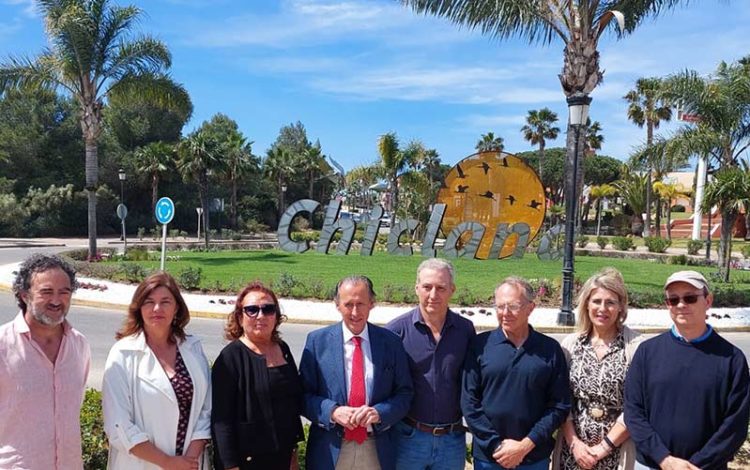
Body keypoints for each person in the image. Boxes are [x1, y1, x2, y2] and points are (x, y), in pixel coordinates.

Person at [624, 270, 750, 470]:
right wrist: (664, 459)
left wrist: (697, 464)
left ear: (708, 301)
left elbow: (736, 424)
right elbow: (633, 412)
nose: (681, 305)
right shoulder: (647, 352)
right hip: (652, 465)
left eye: (690, 298)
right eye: (673, 300)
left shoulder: (732, 359)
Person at [300, 275, 413, 470]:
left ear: (372, 303)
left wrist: (380, 412)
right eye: (348, 304)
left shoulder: (391, 343)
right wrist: (333, 412)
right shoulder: (317, 342)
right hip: (331, 448)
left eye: (360, 304)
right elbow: (302, 395)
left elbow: (405, 393)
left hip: (375, 449)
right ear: (337, 305)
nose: (354, 312)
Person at [102, 271, 211, 470]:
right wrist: (168, 463)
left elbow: (206, 409)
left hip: (190, 463)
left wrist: (189, 460)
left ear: (177, 307)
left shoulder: (193, 348)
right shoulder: (123, 354)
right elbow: (118, 425)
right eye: (149, 302)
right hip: (141, 464)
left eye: (165, 302)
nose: (157, 308)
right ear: (139, 308)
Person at [462, 276, 571, 470]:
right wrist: (497, 444)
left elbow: (559, 405)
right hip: (490, 457)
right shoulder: (480, 346)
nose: (505, 313)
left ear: (531, 308)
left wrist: (525, 445)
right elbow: (469, 403)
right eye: (500, 306)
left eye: (513, 306)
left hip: (533, 456)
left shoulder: (550, 350)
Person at [0, 253, 91, 469]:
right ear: (24, 295)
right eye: (46, 292)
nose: (57, 300)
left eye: (64, 292)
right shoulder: (2, 345)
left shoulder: (79, 346)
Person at [385, 258, 476, 470]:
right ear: (416, 288)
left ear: (452, 290)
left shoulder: (465, 331)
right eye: (427, 287)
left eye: (441, 288)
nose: (433, 295)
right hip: (408, 438)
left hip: (451, 440)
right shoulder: (395, 332)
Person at [552, 268, 643, 470]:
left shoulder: (635, 347)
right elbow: (562, 400)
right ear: (586, 304)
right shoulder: (571, 345)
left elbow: (637, 406)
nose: (603, 308)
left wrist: (603, 448)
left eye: (610, 302)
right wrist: (575, 444)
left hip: (617, 451)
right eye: (596, 301)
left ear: (621, 307)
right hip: (573, 452)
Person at [212, 281, 304, 470]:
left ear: (276, 316)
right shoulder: (230, 358)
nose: (260, 316)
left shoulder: (283, 349)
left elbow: (291, 405)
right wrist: (230, 467)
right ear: (239, 317)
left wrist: (293, 454)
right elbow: (221, 420)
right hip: (246, 462)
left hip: (282, 458)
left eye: (268, 309)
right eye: (252, 310)